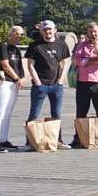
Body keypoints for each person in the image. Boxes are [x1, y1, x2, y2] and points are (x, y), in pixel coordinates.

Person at [24, 19, 71, 149]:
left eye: (50, 29)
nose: (48, 32)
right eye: (45, 29)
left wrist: (61, 79)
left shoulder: (62, 45)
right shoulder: (35, 45)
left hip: (57, 85)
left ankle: (58, 140)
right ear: (41, 31)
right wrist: (37, 81)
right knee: (34, 113)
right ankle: (30, 141)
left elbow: (64, 63)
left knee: (56, 114)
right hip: (40, 85)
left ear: (55, 30)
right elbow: (30, 65)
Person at [70, 22, 98, 148]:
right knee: (81, 111)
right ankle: (78, 137)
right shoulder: (81, 46)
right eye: (90, 32)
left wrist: (96, 48)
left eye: (95, 31)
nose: (93, 34)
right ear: (87, 33)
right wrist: (91, 60)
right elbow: (76, 61)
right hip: (83, 82)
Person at [0, 25, 25, 152]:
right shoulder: (3, 46)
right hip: (3, 83)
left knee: (8, 113)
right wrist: (17, 78)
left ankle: (4, 140)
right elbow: (5, 65)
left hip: (13, 84)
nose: (19, 37)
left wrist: (22, 78)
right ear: (10, 34)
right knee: (0, 112)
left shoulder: (16, 49)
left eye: (21, 35)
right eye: (17, 34)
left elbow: (19, 66)